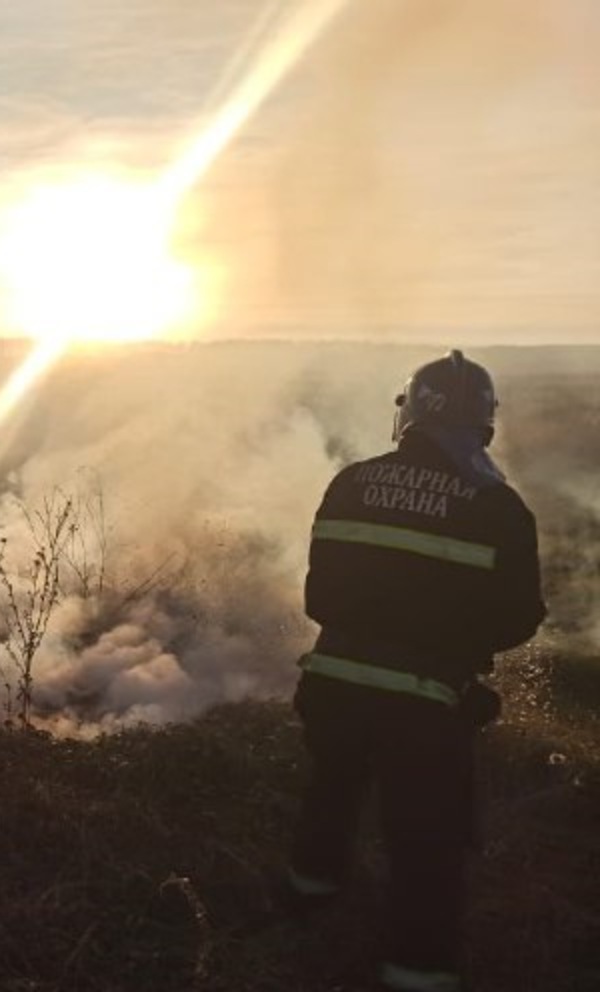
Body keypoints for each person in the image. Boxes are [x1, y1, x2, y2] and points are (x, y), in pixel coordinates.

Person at [286, 350, 546, 992]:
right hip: (426, 704)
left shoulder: (350, 482)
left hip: (332, 686)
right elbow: (519, 619)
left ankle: (301, 914)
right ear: (484, 425)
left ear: (406, 416)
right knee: (426, 843)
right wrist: (452, 648)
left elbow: (318, 601)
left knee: (330, 796)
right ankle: (418, 973)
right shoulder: (501, 508)